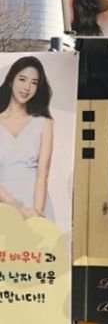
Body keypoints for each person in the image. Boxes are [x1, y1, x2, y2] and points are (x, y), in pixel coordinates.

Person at [0, 56, 54, 220]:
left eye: (34, 83)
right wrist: (18, 209)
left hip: (35, 203)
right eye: (22, 79)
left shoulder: (44, 123)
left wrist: (36, 213)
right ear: (11, 80)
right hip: (4, 202)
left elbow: (43, 174)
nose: (27, 87)